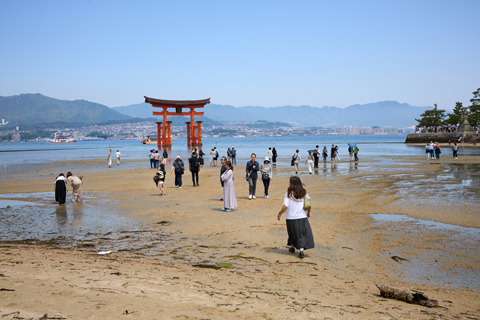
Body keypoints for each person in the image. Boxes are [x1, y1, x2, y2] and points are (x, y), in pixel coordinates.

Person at [277, 176, 314, 259]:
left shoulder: (288, 193)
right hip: (302, 217)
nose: (289, 183)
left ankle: (293, 248)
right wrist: (309, 212)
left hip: (291, 217)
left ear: (292, 183)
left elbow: (285, 206)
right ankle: (301, 250)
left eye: (289, 182)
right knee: (302, 234)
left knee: (292, 233)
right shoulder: (303, 192)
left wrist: (280, 213)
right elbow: (309, 203)